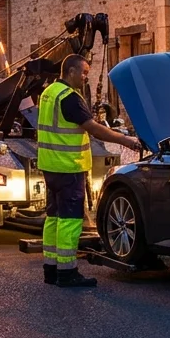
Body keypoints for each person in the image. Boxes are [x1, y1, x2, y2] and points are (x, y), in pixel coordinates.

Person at [37, 54, 144, 288]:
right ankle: (67, 272)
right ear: (71, 71)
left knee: (53, 218)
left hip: (50, 165)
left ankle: (51, 269)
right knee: (70, 220)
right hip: (69, 166)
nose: (86, 78)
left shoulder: (48, 93)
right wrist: (127, 140)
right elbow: (94, 129)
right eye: (84, 72)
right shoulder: (69, 98)